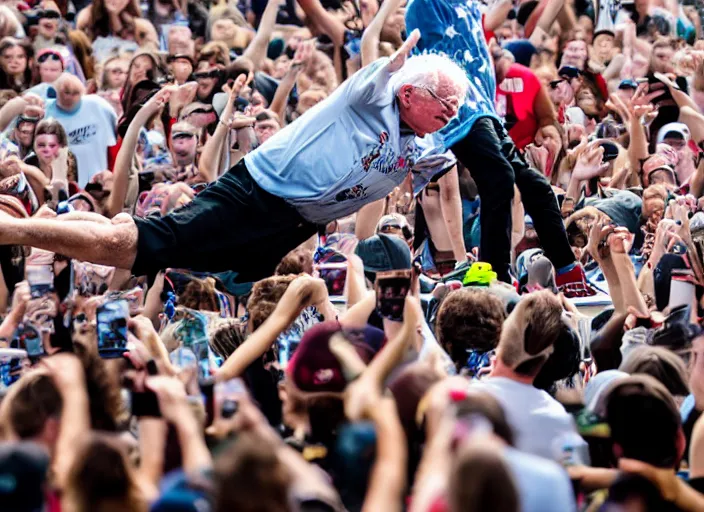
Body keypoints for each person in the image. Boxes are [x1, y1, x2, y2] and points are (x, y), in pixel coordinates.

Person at [0, 33, 468, 283]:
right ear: (409, 92)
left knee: (227, 283)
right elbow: (378, 71)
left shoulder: (424, 145)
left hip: (293, 223)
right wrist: (392, 57)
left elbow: (441, 193)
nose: (449, 116)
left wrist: (457, 264)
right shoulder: (372, 97)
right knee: (136, 249)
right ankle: (13, 230)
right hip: (257, 195)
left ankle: (45, 222)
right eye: (443, 105)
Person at [405, 0, 590, 296]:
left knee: (534, 184)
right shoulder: (424, 5)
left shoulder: (466, 5)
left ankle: (568, 268)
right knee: (499, 178)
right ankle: (493, 273)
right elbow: (426, 60)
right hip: (458, 113)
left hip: (483, 110)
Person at [42, 73, 117, 187]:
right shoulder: (45, 111)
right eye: (66, 93)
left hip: (98, 177)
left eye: (75, 93)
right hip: (62, 180)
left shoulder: (98, 105)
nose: (70, 97)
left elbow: (116, 136)